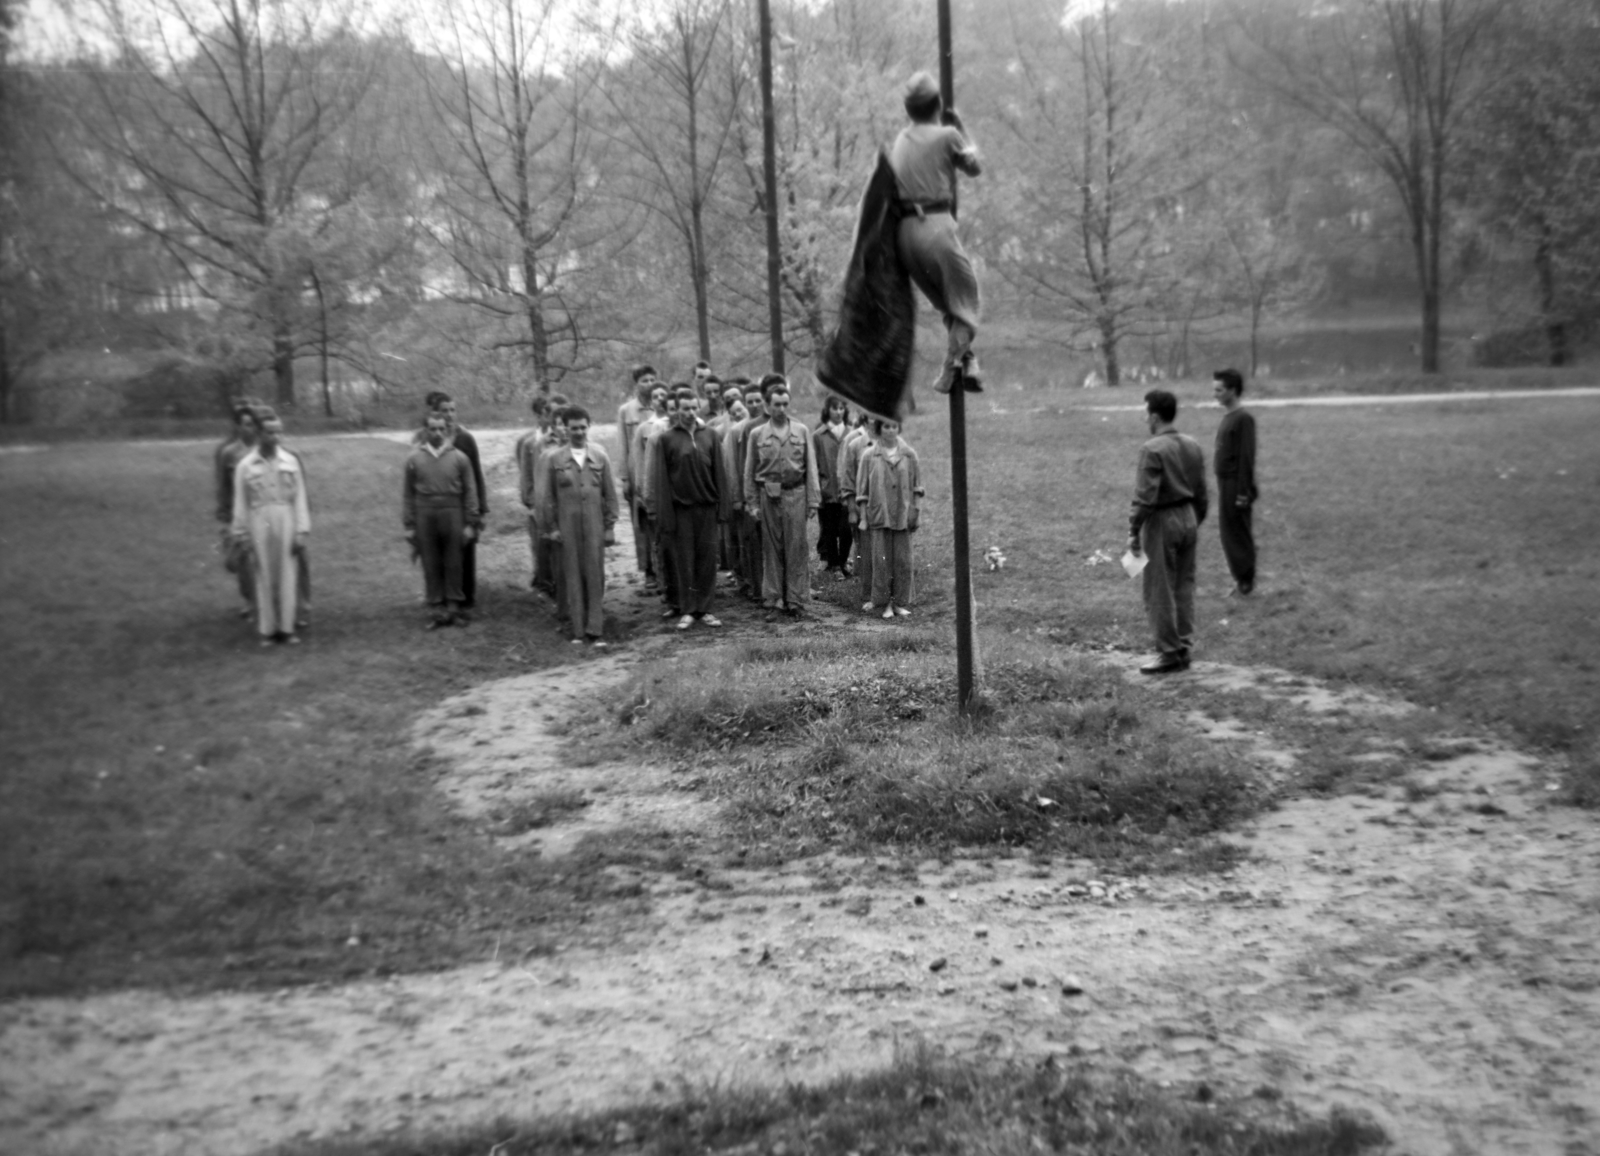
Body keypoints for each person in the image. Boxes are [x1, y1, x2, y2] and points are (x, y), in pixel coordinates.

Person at [891, 70, 984, 395]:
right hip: (935, 229)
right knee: (968, 304)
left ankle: (968, 362)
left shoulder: (902, 139)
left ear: (908, 110)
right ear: (938, 105)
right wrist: (960, 127)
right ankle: (949, 368)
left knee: (950, 305)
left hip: (905, 236)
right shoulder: (947, 136)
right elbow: (974, 167)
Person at [1127, 389, 1208, 675]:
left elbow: (1145, 496)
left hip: (1162, 519)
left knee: (1159, 588)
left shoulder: (1152, 449)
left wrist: (1134, 529)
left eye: (1146, 412)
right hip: (1189, 516)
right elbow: (1202, 491)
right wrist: (1193, 520)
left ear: (1155, 416)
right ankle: (1183, 646)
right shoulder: (1192, 445)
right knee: (1184, 585)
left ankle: (1168, 652)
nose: (1145, 417)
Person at [651, 385, 730, 630]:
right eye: (685, 408)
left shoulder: (711, 435)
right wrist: (666, 516)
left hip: (707, 507)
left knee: (707, 560)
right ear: (676, 410)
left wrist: (723, 508)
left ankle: (705, 609)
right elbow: (662, 480)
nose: (690, 412)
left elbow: (720, 473)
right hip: (681, 509)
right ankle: (688, 609)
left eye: (694, 407)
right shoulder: (667, 439)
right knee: (684, 560)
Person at [230, 408, 311, 645]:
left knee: (287, 573)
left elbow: (300, 499)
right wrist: (241, 534)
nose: (275, 438)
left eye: (279, 433)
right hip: (259, 520)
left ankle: (287, 628)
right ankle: (267, 630)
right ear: (258, 433)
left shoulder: (291, 461)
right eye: (269, 433)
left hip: (286, 517)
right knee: (262, 573)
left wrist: (301, 530)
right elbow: (241, 503)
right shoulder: (246, 465)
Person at [541, 405, 618, 646]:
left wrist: (609, 526)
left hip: (594, 524)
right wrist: (552, 527)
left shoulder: (600, 455)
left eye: (583, 427)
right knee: (572, 575)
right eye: (573, 428)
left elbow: (611, 495)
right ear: (565, 428)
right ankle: (578, 631)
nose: (578, 432)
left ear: (589, 426)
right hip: (567, 526)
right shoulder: (555, 459)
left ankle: (596, 629)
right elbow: (548, 498)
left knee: (595, 574)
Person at [744, 374, 819, 616]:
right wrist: (752, 503)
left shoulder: (801, 430)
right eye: (776, 404)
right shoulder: (757, 434)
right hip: (769, 496)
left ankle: (796, 600)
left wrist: (813, 500)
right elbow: (749, 471)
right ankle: (774, 599)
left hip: (796, 493)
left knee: (797, 548)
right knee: (772, 548)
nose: (781, 408)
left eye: (785, 404)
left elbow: (811, 467)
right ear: (767, 405)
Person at [404, 411, 482, 630]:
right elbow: (408, 494)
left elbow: (470, 491)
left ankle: (453, 609)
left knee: (453, 561)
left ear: (447, 430)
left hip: (453, 512)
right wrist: (409, 525)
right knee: (431, 561)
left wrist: (470, 523)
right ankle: (436, 610)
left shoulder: (459, 458)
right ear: (425, 431)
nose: (437, 433)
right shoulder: (414, 459)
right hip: (425, 513)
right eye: (432, 429)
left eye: (441, 429)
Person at [855, 419, 923, 618]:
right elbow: (862, 491)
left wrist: (916, 512)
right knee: (881, 560)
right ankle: (883, 603)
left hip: (902, 514)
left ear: (899, 428)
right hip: (879, 514)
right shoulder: (869, 456)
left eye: (894, 426)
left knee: (903, 560)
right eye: (886, 427)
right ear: (879, 429)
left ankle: (900, 602)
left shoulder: (909, 454)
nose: (891, 431)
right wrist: (863, 517)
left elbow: (917, 487)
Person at [432, 393, 487, 610]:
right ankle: (445, 596)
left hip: (465, 503)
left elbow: (477, 475)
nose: (449, 415)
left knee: (465, 548)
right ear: (437, 413)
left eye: (452, 410)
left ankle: (466, 598)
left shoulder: (465, 439)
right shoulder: (431, 439)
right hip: (440, 505)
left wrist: (479, 510)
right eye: (444, 410)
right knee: (442, 550)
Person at [1212, 368, 1258, 596]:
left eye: (1219, 390)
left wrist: (1242, 492)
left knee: (1237, 532)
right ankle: (1240, 578)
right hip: (1225, 484)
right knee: (1228, 531)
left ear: (1232, 390)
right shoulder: (1229, 416)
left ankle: (1245, 581)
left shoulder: (1243, 419)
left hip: (1235, 485)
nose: (1215, 394)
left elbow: (1246, 459)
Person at [215, 400, 259, 620]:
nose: (248, 428)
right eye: (244, 424)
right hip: (238, 512)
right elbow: (223, 485)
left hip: (261, 511)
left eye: (252, 424)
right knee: (239, 561)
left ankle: (261, 601)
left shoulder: (264, 449)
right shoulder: (228, 453)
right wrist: (224, 513)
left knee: (259, 558)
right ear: (237, 427)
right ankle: (250, 600)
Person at [618, 366, 659, 588]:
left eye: (653, 379)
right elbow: (623, 445)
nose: (649, 383)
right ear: (636, 384)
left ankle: (663, 569)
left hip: (658, 473)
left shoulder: (661, 405)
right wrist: (625, 478)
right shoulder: (627, 411)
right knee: (642, 525)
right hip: (637, 474)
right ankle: (648, 571)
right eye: (644, 380)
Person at [516, 394, 552, 592]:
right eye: (545, 414)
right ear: (539, 416)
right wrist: (531, 501)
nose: (549, 418)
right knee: (539, 542)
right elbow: (525, 475)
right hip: (537, 502)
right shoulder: (528, 443)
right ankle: (542, 578)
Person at [813, 396, 852, 577]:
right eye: (834, 408)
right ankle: (834, 564)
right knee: (829, 529)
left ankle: (843, 561)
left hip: (847, 490)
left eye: (841, 408)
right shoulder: (818, 436)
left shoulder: (852, 434)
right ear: (827, 410)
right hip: (827, 490)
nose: (838, 412)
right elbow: (814, 465)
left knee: (846, 528)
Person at [837, 415, 873, 588]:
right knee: (863, 545)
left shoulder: (892, 443)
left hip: (883, 504)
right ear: (865, 421)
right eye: (871, 418)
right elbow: (848, 479)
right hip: (862, 504)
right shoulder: (854, 444)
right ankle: (865, 582)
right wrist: (851, 509)